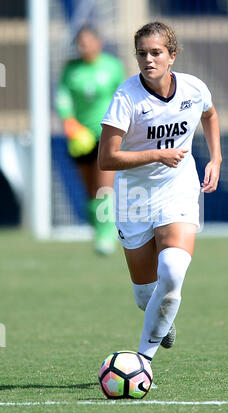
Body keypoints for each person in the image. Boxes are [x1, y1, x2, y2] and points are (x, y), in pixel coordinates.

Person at [98, 22, 222, 364]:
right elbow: (107, 159)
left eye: (156, 53)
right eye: (141, 53)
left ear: (172, 56)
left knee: (172, 271)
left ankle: (142, 361)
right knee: (145, 296)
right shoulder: (126, 97)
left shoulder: (193, 89)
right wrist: (156, 154)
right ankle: (159, 320)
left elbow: (209, 114)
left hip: (178, 189)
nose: (148, 60)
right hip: (134, 197)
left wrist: (216, 157)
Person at [55, 25, 125, 255]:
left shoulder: (112, 66)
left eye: (87, 41)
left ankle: (106, 236)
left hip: (106, 135)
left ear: (98, 42)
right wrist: (69, 122)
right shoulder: (70, 70)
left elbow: (123, 98)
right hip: (79, 138)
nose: (82, 46)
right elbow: (62, 97)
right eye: (79, 42)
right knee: (90, 191)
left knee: (104, 188)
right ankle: (98, 229)